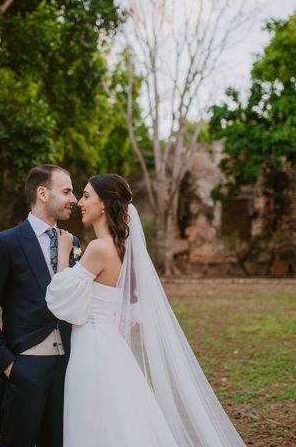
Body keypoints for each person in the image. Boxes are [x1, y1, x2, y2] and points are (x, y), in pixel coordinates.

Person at [46, 173, 246, 447]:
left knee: (95, 421)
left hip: (93, 348)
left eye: (87, 195)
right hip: (110, 345)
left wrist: (62, 253)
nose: (81, 202)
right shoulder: (120, 248)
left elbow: (61, 300)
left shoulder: (98, 249)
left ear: (104, 204)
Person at [0, 164, 79, 447]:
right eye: (67, 191)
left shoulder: (73, 243)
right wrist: (8, 365)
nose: (74, 199)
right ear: (42, 193)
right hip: (25, 367)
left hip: (66, 369)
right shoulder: (5, 243)